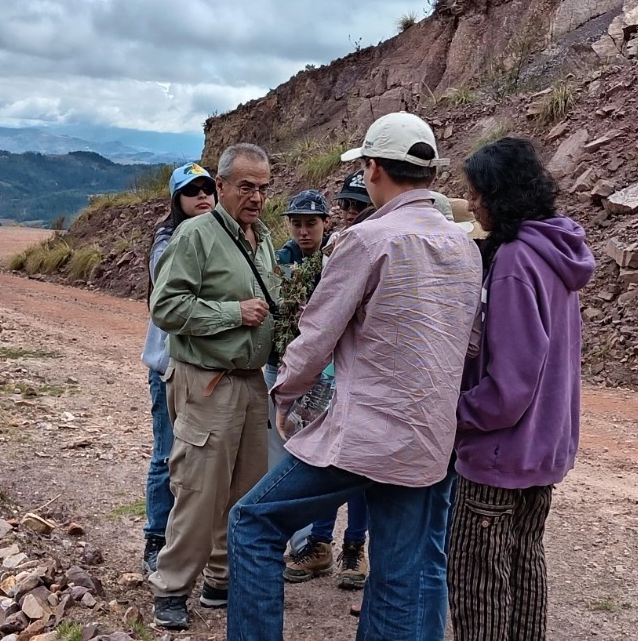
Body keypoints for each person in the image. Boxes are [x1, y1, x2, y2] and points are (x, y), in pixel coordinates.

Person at [226, 111, 482, 641]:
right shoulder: (464, 247)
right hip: (427, 440)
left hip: (364, 433)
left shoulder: (366, 240)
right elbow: (470, 338)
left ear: (372, 169)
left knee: (253, 523)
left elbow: (317, 332)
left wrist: (286, 395)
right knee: (397, 575)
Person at [448, 137, 592, 640]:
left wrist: (454, 412)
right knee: (526, 566)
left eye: (476, 193)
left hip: (497, 455)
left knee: (478, 583)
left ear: (498, 195)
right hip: (542, 450)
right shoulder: (557, 252)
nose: (470, 204)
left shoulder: (513, 264)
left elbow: (508, 387)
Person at [146, 144, 279, 631]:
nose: (257, 197)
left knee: (245, 491)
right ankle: (172, 587)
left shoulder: (261, 238)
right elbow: (166, 308)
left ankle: (221, 579)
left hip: (249, 383)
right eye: (246, 187)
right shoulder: (195, 236)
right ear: (221, 186)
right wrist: (232, 313)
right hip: (207, 381)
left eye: (263, 188)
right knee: (200, 489)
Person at [269, 190, 370, 589]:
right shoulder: (287, 259)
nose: (303, 230)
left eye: (311, 222)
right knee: (322, 462)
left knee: (358, 467)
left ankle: (354, 549)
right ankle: (319, 542)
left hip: (350, 377)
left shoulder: (354, 253)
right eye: (346, 206)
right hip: (316, 374)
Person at [138, 163, 217, 576]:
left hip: (206, 368)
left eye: (207, 188)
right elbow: (174, 292)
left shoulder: (224, 237)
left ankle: (188, 542)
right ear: (177, 201)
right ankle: (156, 537)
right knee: (167, 454)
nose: (202, 196)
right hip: (169, 365)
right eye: (192, 191)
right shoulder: (167, 241)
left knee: (198, 459)